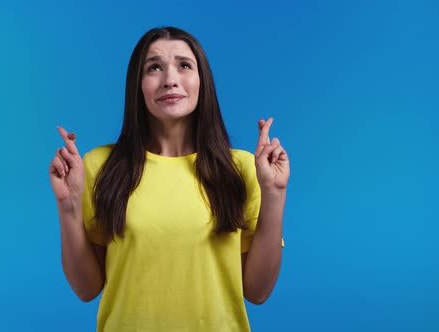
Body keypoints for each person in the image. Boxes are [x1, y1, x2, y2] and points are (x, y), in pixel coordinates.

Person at [49, 26, 290, 331]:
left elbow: (258, 291)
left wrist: (274, 193)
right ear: (138, 85)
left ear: (203, 81)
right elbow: (86, 289)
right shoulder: (101, 166)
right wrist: (68, 206)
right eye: (154, 68)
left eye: (184, 66)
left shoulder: (242, 169)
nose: (170, 80)